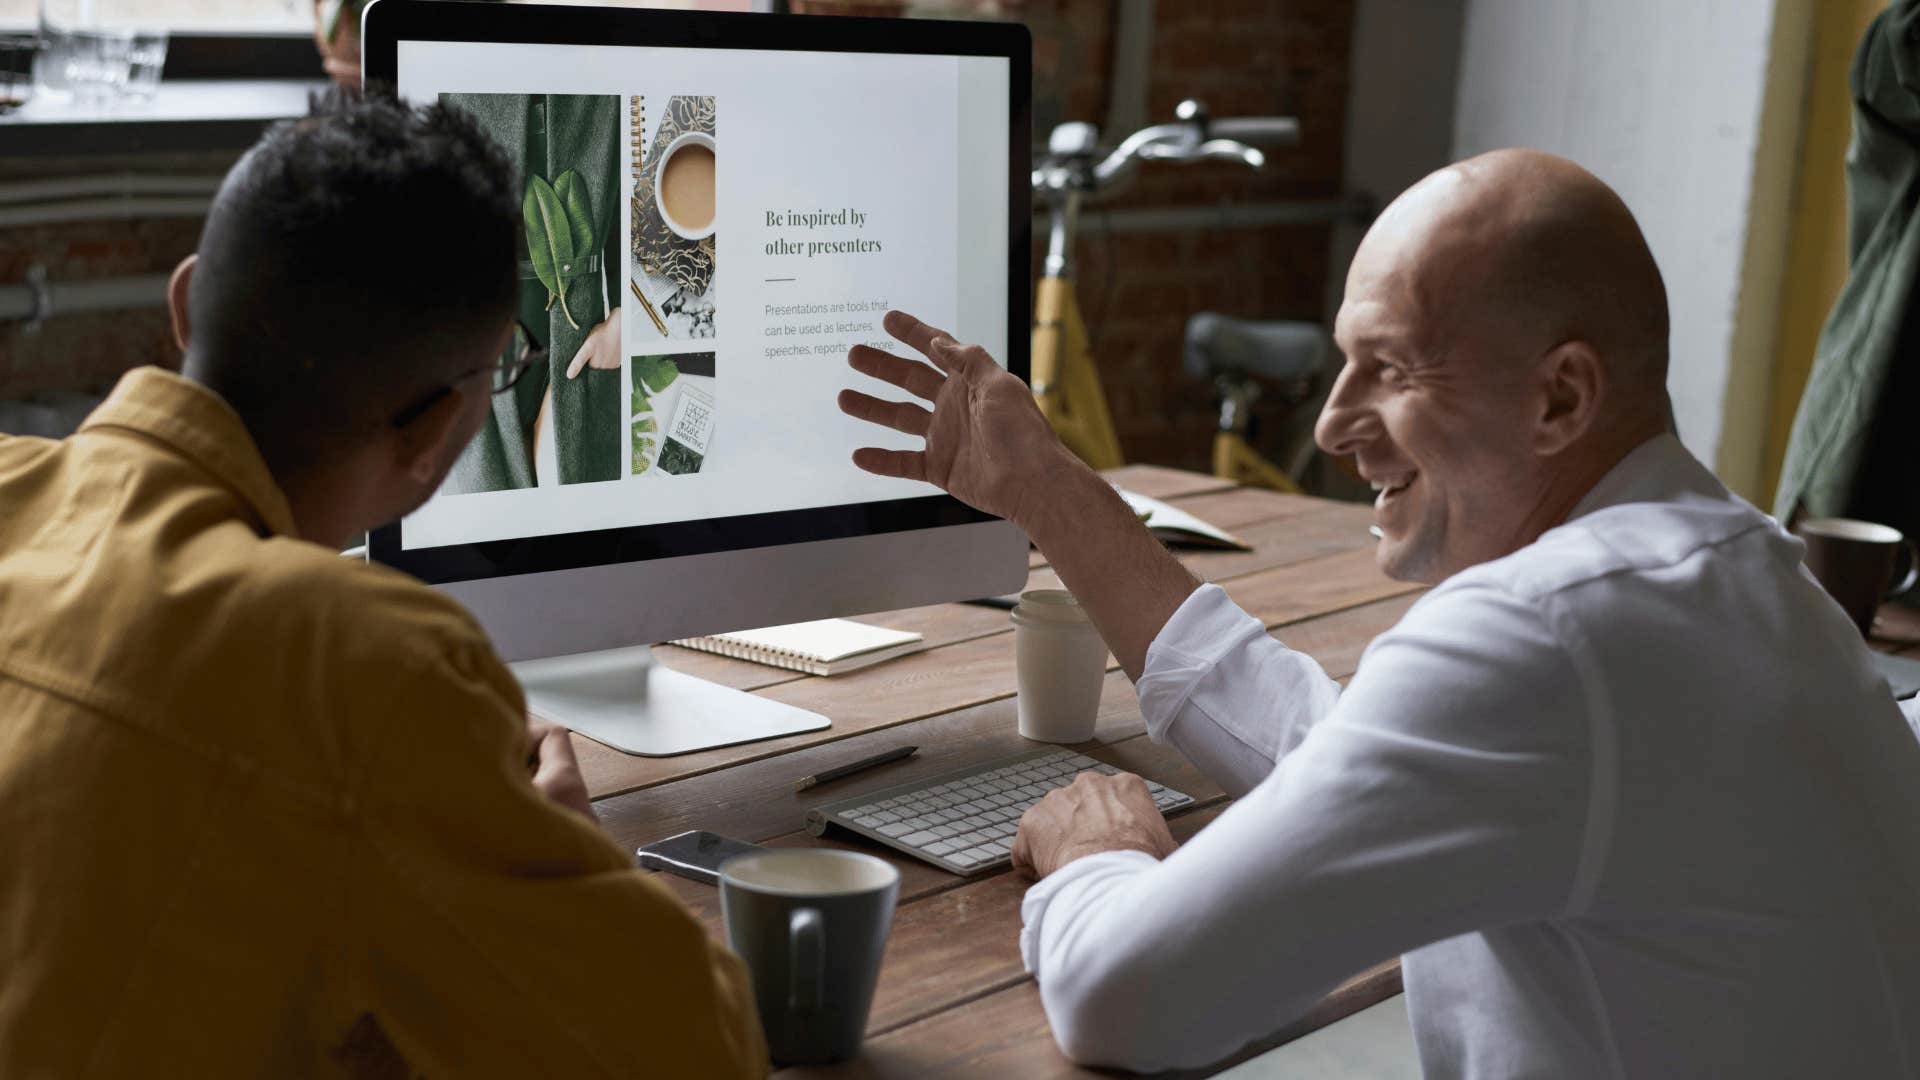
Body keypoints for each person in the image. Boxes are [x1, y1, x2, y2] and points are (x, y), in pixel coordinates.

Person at [838, 149, 1920, 1076]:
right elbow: (1359, 759)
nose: (1332, 424)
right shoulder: (1741, 575)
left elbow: (1125, 1002)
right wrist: (1045, 488)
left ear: (1562, 398)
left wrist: (1099, 860)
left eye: (1390, 369)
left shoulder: (1545, 633)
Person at [0, 91, 764, 1077]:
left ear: (186, 300)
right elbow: (694, 1055)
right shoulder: (365, 670)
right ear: (440, 430)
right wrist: (571, 847)